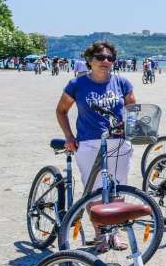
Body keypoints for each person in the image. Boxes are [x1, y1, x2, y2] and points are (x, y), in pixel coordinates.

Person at [55, 40, 137, 251]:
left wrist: (132, 131)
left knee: (118, 188)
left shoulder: (122, 83)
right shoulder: (77, 84)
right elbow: (61, 111)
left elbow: (133, 111)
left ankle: (115, 233)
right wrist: (69, 136)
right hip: (89, 142)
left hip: (118, 142)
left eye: (110, 58)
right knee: (94, 190)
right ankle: (100, 233)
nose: (106, 61)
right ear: (89, 61)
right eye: (100, 58)